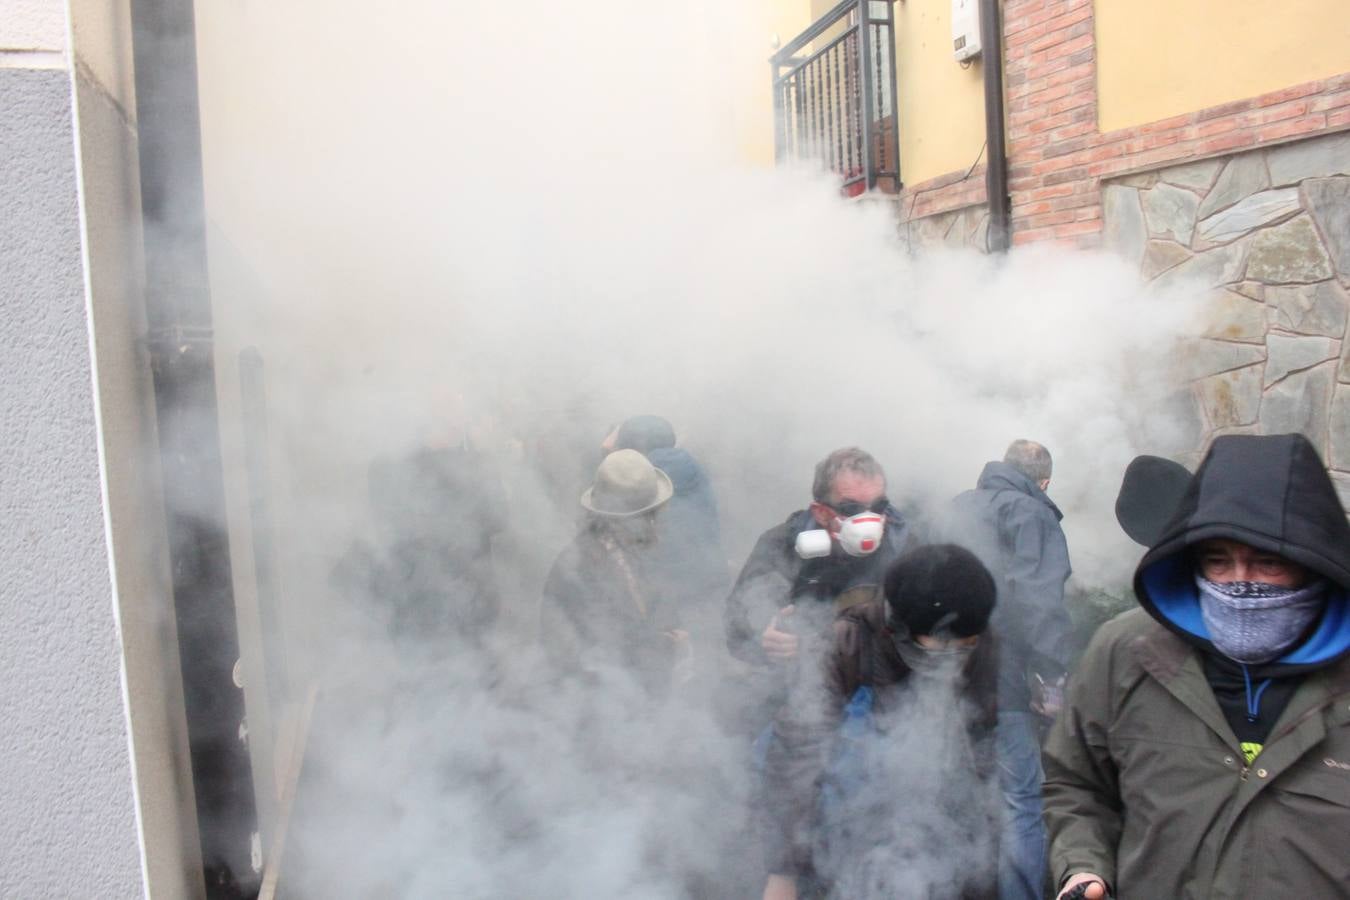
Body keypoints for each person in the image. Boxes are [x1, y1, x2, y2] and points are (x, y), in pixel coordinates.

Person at [1042, 433, 1350, 899]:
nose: (1241, 583)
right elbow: (1075, 783)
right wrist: (1083, 864)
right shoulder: (1125, 652)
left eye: (1267, 562)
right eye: (1218, 561)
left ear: (1314, 561)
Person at [760, 544, 1001, 900]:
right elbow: (796, 759)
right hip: (848, 828)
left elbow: (986, 748)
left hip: (948, 826)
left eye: (966, 646)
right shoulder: (844, 646)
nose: (956, 657)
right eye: (940, 648)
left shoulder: (981, 638)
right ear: (897, 627)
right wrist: (783, 872)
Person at [939, 439, 1073, 900]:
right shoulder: (1031, 513)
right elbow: (1040, 602)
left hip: (938, 679)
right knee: (1022, 800)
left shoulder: (954, 508)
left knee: (953, 792)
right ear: (1045, 481)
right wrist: (1052, 676)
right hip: (1004, 681)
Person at [724, 447, 914, 671]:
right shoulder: (783, 546)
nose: (869, 520)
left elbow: (927, 638)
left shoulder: (907, 550)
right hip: (799, 683)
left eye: (879, 507)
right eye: (851, 509)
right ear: (821, 513)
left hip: (882, 683)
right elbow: (737, 630)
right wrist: (764, 639)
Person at [538, 449, 689, 697]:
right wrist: (664, 645)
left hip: (636, 700)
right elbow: (584, 654)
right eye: (649, 515)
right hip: (593, 707)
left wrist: (672, 632)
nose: (656, 522)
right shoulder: (577, 567)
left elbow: (655, 610)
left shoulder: (635, 551)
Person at [603, 415, 730, 646]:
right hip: (708, 594)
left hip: (672, 600)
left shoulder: (647, 482)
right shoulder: (690, 468)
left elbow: (613, 472)